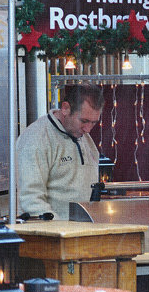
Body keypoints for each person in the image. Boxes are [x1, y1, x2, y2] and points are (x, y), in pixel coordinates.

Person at [16, 83, 105, 220]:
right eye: (84, 121)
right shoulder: (36, 138)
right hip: (55, 236)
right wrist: (61, 231)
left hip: (83, 233)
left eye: (93, 123)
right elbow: (31, 199)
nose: (88, 129)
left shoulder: (84, 138)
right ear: (65, 108)